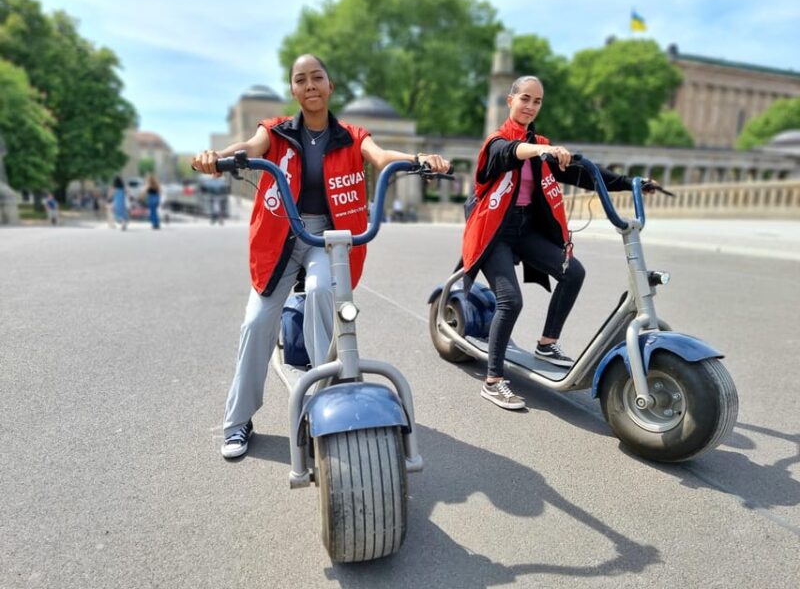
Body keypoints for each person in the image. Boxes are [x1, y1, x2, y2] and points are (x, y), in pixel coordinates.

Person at [192, 54, 450, 458]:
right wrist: (218, 155)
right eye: (301, 80)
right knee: (257, 321)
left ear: (330, 86)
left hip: (330, 235)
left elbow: (380, 158)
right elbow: (249, 147)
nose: (310, 85)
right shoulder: (276, 131)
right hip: (281, 231)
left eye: (317, 77)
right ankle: (238, 420)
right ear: (293, 90)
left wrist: (420, 160)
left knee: (321, 293)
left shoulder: (351, 134)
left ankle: (325, 403)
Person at [461, 75, 661, 411]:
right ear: (510, 101)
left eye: (537, 102)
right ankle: (493, 381)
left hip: (525, 231)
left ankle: (546, 344)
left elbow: (584, 174)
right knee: (510, 300)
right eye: (525, 98)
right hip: (493, 233)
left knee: (574, 272)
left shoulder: (542, 146)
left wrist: (633, 183)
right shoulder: (496, 143)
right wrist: (543, 149)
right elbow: (512, 152)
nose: (530, 106)